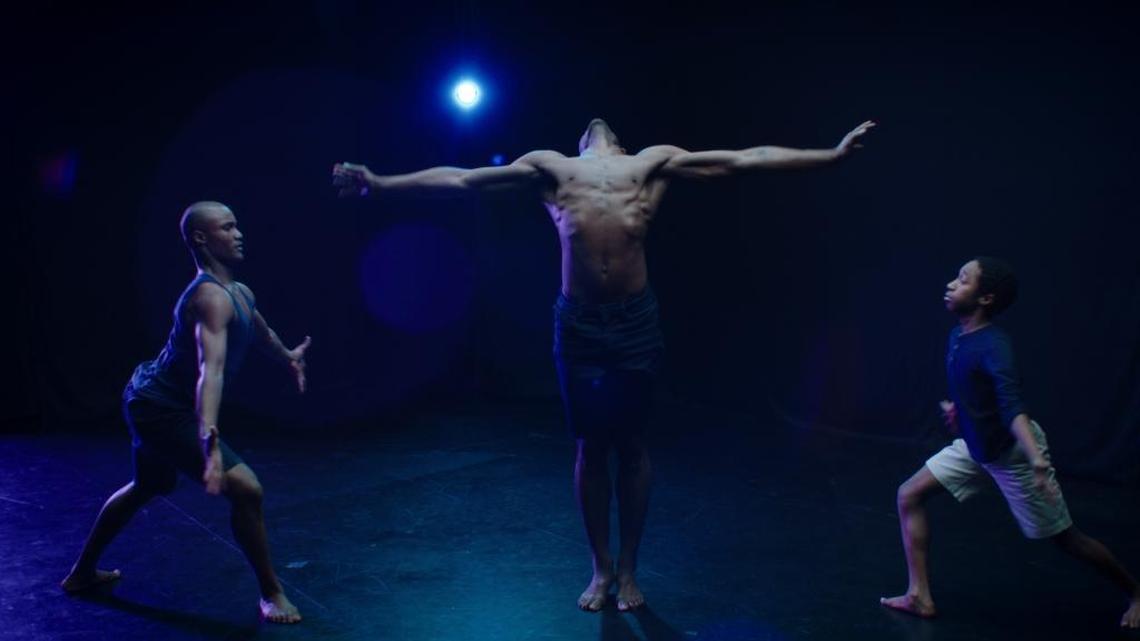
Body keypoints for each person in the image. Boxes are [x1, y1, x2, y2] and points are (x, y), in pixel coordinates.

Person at [333, 117, 875, 611]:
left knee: (633, 446)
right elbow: (463, 179)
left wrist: (830, 154)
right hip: (580, 325)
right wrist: (382, 183)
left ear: (619, 141)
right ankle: (600, 568)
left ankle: (631, 569)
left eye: (604, 126)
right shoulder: (551, 166)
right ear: (582, 141)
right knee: (591, 448)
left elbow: (744, 157)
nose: (595, 124)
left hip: (635, 324)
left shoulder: (651, 161)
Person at [60, 201, 310, 624]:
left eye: (237, 225)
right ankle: (271, 593)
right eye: (227, 227)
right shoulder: (208, 297)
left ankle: (81, 575)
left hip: (148, 396)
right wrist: (209, 441)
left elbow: (259, 332)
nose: (238, 233)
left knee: (148, 484)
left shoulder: (240, 293)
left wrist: (288, 356)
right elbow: (209, 372)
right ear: (201, 238)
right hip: (160, 407)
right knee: (246, 489)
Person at [880, 257, 1140, 628]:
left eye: (964, 280)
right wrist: (961, 414)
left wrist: (1037, 461)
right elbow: (976, 391)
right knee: (908, 495)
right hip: (976, 446)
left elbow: (1012, 406)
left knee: (1066, 540)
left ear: (986, 298)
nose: (952, 284)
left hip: (1012, 453)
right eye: (956, 277)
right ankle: (919, 596)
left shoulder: (995, 347)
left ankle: (1136, 591)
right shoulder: (958, 335)